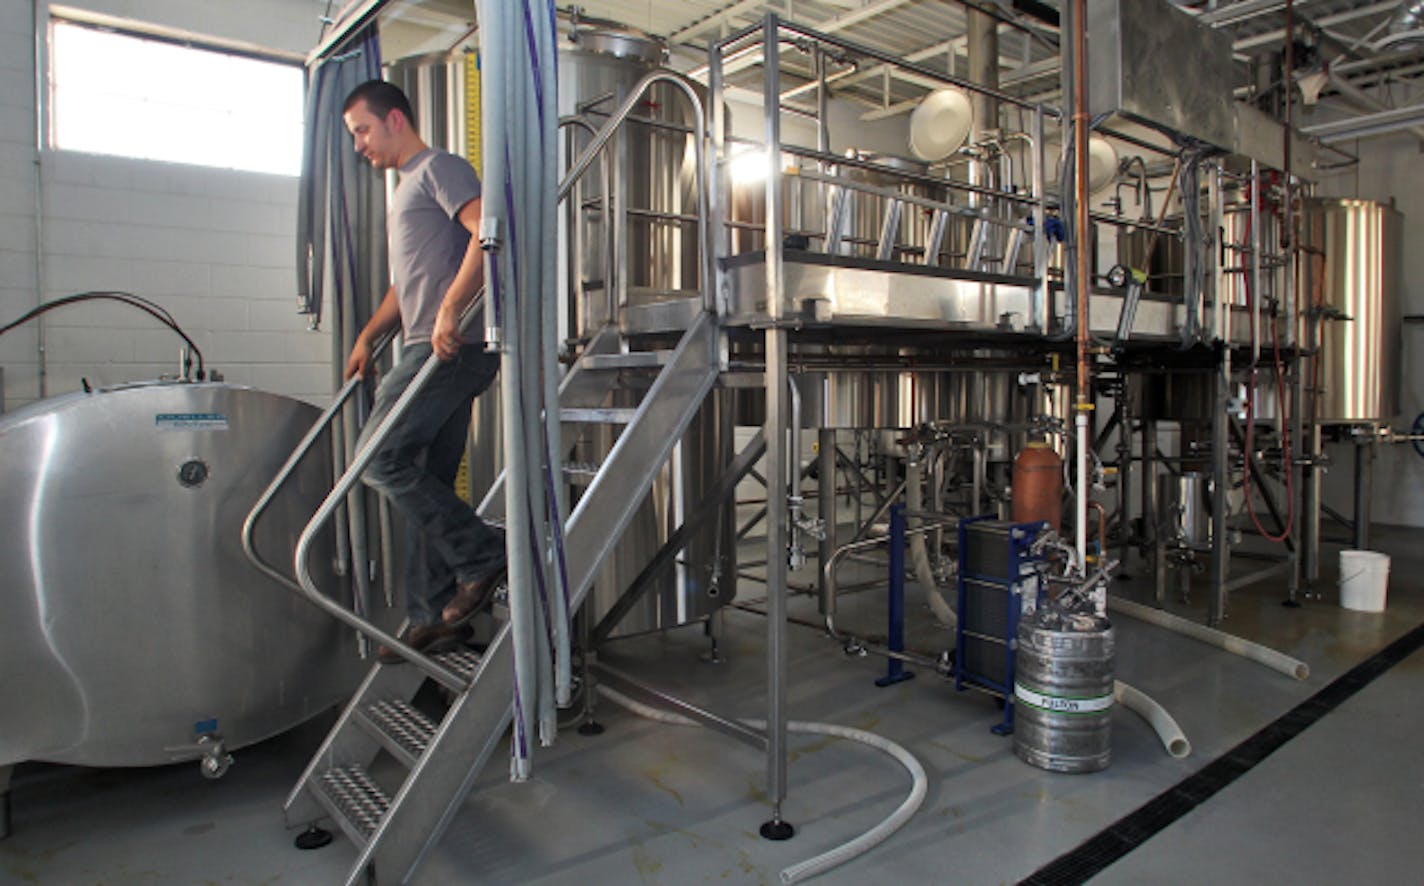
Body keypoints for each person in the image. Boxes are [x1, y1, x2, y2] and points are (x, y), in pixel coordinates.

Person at [341, 79, 506, 663]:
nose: (359, 145)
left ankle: (481, 556)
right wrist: (367, 335)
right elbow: (405, 281)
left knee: (375, 460)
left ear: (394, 119)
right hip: (427, 342)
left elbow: (490, 234)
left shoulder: (440, 167)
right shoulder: (406, 189)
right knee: (420, 475)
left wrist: (449, 307)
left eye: (362, 130)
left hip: (445, 348)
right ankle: (431, 616)